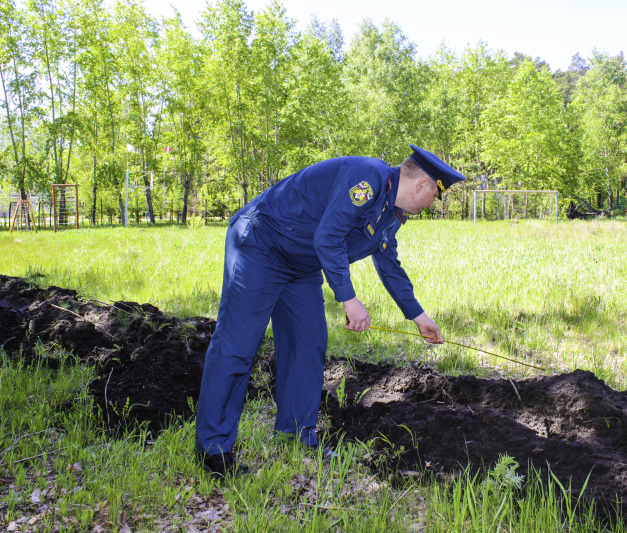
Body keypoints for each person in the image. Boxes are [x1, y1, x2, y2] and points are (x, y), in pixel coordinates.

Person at [195, 145, 466, 477]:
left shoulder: (391, 214)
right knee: (237, 345)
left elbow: (389, 265)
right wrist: (348, 299)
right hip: (261, 244)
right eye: (434, 198)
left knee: (308, 343)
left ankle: (296, 433)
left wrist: (419, 317)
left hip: (300, 265)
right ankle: (213, 449)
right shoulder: (368, 178)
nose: (431, 206)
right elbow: (328, 236)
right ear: (423, 185)